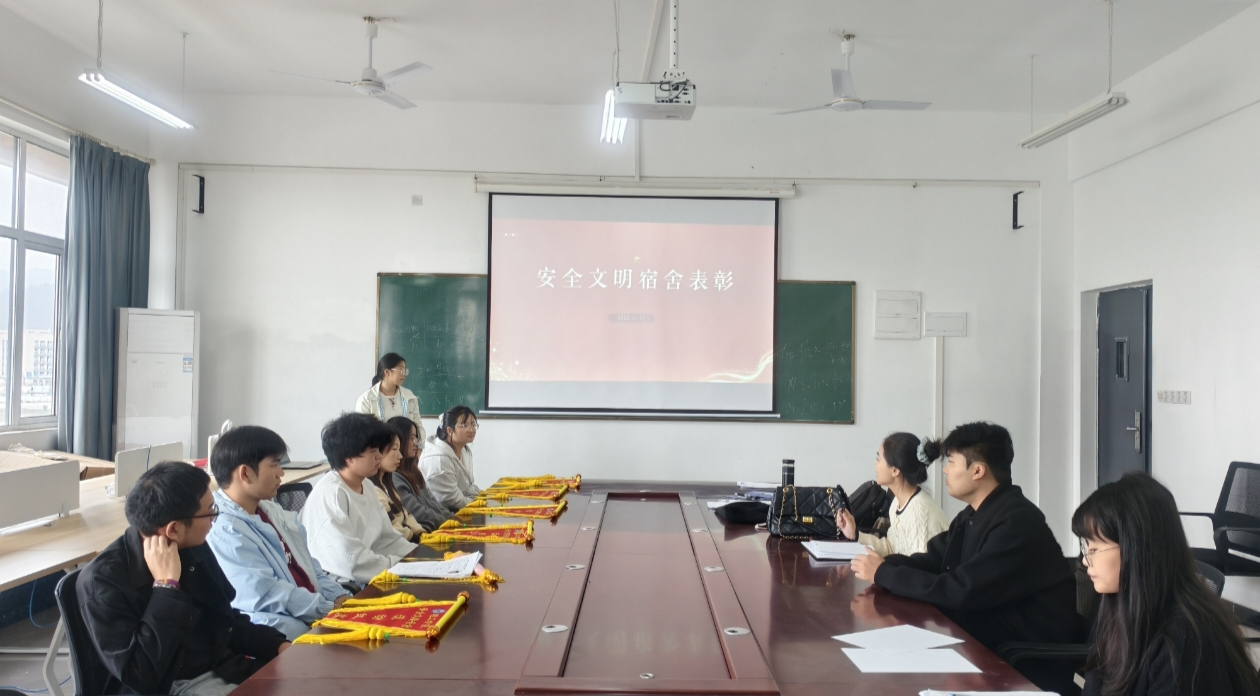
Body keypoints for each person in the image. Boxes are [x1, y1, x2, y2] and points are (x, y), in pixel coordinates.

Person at [851, 421, 1077, 691]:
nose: (945, 470)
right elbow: (934, 560)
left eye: (951, 462)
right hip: (984, 646)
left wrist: (885, 573)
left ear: (978, 471)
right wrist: (882, 567)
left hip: (1023, 665)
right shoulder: (973, 514)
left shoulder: (1016, 522)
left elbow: (962, 589)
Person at [76, 462, 289, 696]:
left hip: (221, 669)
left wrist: (278, 645)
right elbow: (140, 675)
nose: (214, 518)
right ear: (174, 529)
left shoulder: (191, 544)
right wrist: (166, 588)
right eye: (210, 511)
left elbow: (225, 619)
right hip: (169, 686)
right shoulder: (102, 582)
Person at [1074, 473, 1260, 696]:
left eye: (1094, 548)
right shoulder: (1121, 610)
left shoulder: (1184, 645)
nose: (1085, 560)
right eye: (1086, 547)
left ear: (1136, 548)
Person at [206, 425, 351, 640]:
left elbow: (311, 569)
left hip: (313, 612)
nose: (281, 473)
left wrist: (339, 598)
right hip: (280, 627)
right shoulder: (225, 530)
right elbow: (267, 595)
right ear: (245, 473)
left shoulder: (271, 511)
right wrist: (327, 609)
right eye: (274, 464)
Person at [301, 413, 419, 585]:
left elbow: (387, 539)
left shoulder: (367, 486)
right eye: (373, 451)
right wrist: (399, 566)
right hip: (339, 584)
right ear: (348, 456)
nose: (379, 456)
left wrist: (419, 556)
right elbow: (350, 561)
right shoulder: (332, 494)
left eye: (379, 449)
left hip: (368, 573)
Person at [839, 432, 949, 556]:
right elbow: (892, 548)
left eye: (878, 459)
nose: (875, 464)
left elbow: (919, 567)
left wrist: (879, 566)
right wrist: (855, 534)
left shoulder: (919, 513)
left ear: (895, 470)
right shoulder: (897, 502)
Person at [386, 415, 456, 532]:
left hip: (437, 526)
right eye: (411, 438)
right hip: (425, 531)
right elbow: (416, 511)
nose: (416, 443)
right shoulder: (394, 477)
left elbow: (433, 502)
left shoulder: (413, 471)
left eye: (416, 438)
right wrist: (446, 522)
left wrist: (453, 519)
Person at [419, 405, 481, 511]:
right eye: (464, 425)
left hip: (461, 508)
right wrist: (477, 503)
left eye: (473, 424)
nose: (471, 430)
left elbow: (469, 487)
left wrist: (479, 498)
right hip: (441, 515)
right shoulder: (438, 459)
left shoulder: (464, 450)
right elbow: (451, 500)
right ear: (449, 430)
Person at [355, 352, 426, 442]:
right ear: (387, 372)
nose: (404, 374)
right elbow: (362, 432)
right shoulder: (366, 399)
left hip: (406, 448)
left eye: (405, 371)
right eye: (401, 370)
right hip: (380, 448)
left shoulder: (409, 397)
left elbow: (418, 426)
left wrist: (419, 446)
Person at [370, 429, 425, 541]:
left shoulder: (388, 487)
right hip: (402, 545)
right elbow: (394, 529)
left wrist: (422, 533)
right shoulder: (373, 491)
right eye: (394, 449)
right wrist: (420, 539)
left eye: (399, 449)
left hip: (409, 542)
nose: (400, 456)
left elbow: (407, 515)